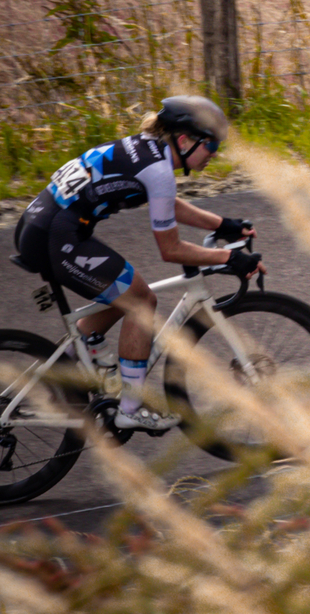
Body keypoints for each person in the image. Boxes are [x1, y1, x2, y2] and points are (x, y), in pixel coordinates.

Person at [10, 94, 247, 437]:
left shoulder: (150, 148)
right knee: (141, 300)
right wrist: (229, 257)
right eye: (211, 146)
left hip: (46, 226)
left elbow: (167, 203)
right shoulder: (158, 168)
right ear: (184, 140)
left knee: (126, 290)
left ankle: (92, 346)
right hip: (57, 235)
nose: (215, 153)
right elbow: (171, 249)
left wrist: (223, 224)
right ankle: (130, 410)